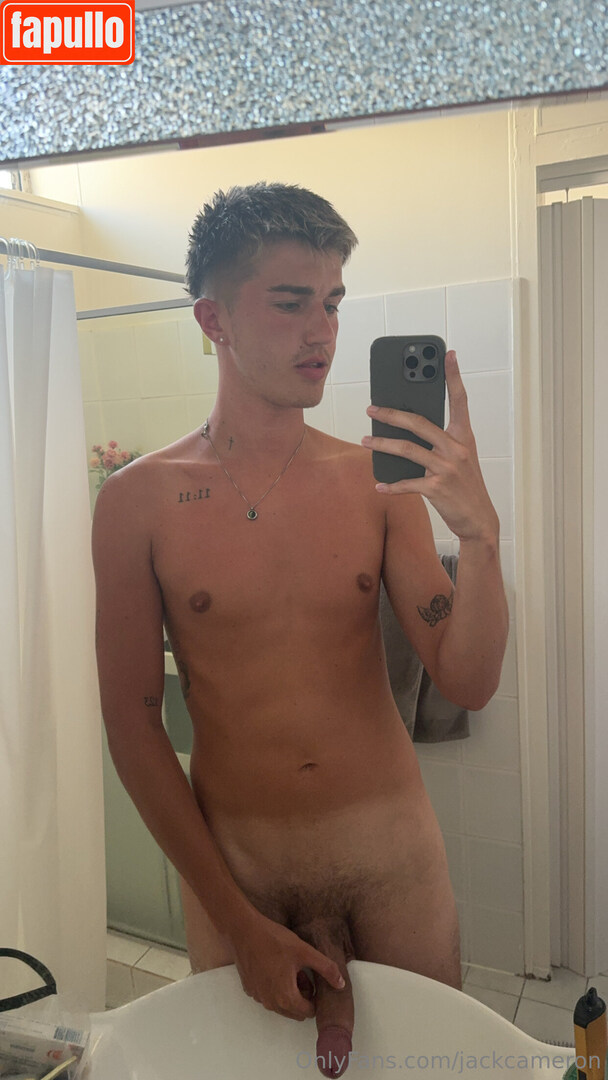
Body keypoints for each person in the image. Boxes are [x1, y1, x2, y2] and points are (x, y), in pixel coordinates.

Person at [92, 182, 509, 1079]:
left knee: (425, 1071)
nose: (323, 332)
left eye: (333, 303)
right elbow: (132, 723)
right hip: (236, 870)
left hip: (392, 858)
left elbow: (469, 679)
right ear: (213, 318)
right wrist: (236, 922)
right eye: (291, 303)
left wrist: (482, 540)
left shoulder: (377, 483)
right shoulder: (136, 503)